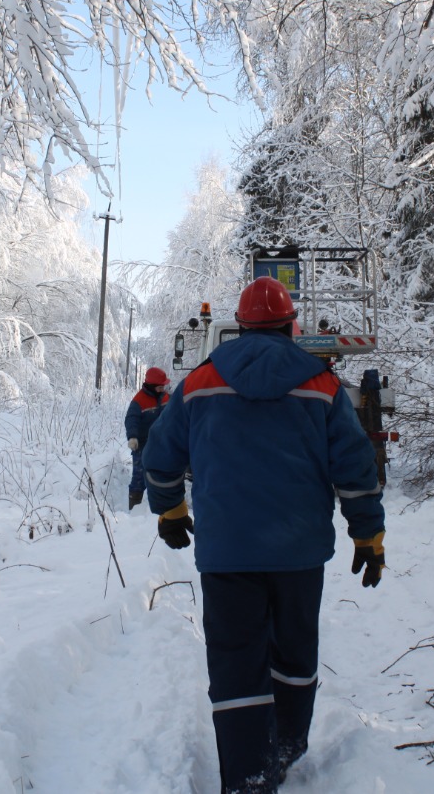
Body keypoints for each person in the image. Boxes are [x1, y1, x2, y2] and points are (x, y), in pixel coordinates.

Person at [143, 277, 386, 794]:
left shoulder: (199, 383)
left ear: (243, 323)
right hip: (298, 554)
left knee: (235, 662)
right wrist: (368, 535)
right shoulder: (322, 385)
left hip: (227, 554)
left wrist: (170, 510)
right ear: (289, 324)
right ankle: (286, 748)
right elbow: (355, 467)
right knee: (294, 654)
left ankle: (248, 776)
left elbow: (159, 457)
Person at [125, 367, 170, 508]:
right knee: (139, 477)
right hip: (142, 445)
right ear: (151, 386)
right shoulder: (138, 401)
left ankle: (157, 505)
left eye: (164, 386)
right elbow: (131, 419)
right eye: (160, 386)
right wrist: (132, 437)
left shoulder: (166, 397)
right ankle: (134, 505)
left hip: (162, 444)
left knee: (161, 474)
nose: (163, 389)